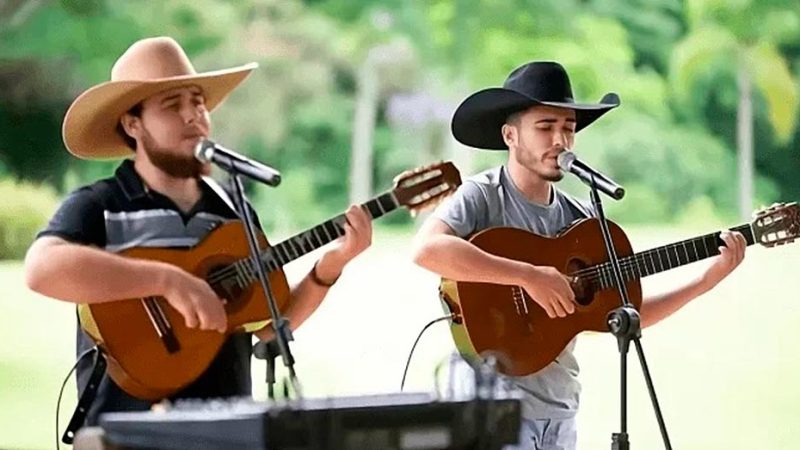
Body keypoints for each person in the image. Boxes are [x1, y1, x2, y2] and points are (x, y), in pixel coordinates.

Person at [23, 36, 372, 426]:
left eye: (198, 103)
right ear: (132, 123)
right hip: (127, 432)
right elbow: (41, 269)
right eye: (173, 105)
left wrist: (332, 265)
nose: (194, 116)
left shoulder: (233, 213)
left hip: (226, 427)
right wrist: (166, 280)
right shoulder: (101, 205)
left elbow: (272, 325)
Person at [411, 61, 746, 450]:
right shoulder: (483, 195)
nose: (560, 140)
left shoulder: (582, 220)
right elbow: (427, 249)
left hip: (560, 411)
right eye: (545, 127)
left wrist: (706, 281)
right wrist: (529, 276)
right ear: (510, 135)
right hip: (493, 411)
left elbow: (624, 313)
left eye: (568, 129)